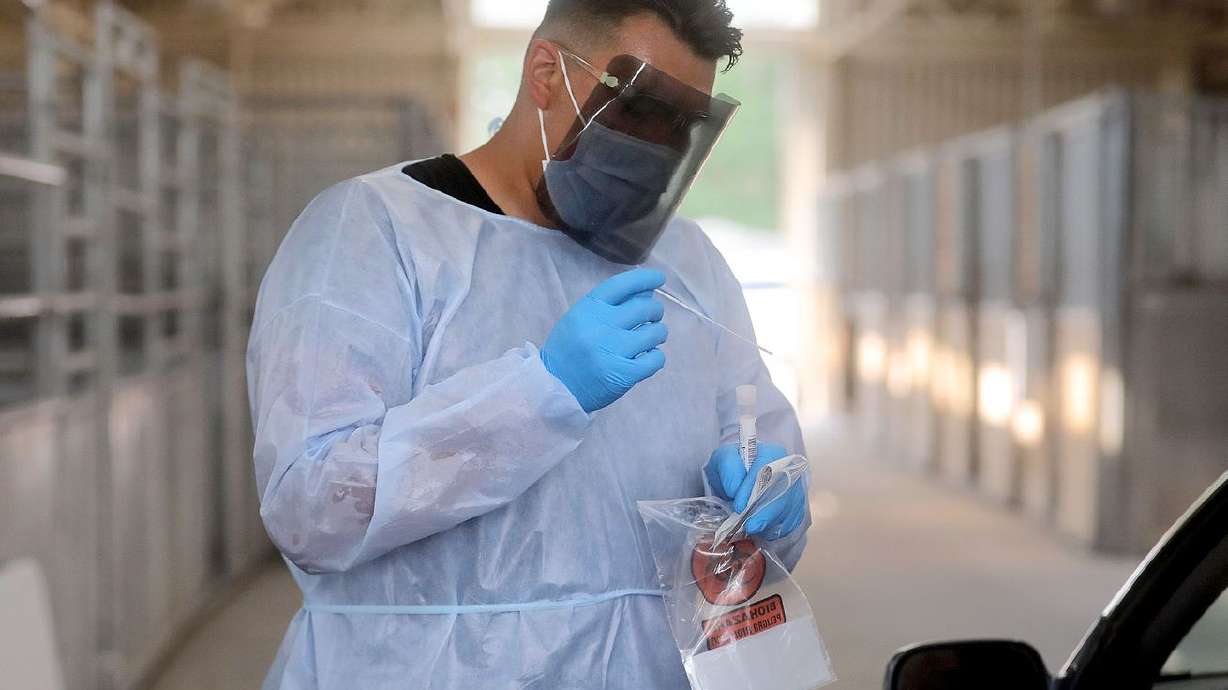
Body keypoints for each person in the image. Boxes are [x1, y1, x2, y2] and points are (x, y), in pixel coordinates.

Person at [247, 1, 810, 688]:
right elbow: (311, 509)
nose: (657, 144)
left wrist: (769, 501)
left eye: (681, 123)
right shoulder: (373, 234)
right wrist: (540, 395)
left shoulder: (688, 264)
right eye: (638, 108)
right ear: (547, 71)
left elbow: (758, 448)